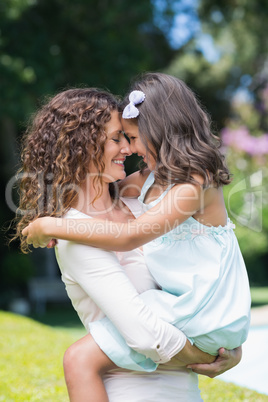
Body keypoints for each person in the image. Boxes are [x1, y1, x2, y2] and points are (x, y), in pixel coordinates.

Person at [21, 75, 249, 398]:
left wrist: (226, 345)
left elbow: (128, 236)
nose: (129, 149)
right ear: (83, 144)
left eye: (131, 137)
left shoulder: (145, 195)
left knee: (79, 357)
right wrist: (209, 355)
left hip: (182, 376)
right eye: (119, 138)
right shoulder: (85, 225)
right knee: (78, 358)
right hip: (133, 386)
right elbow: (145, 335)